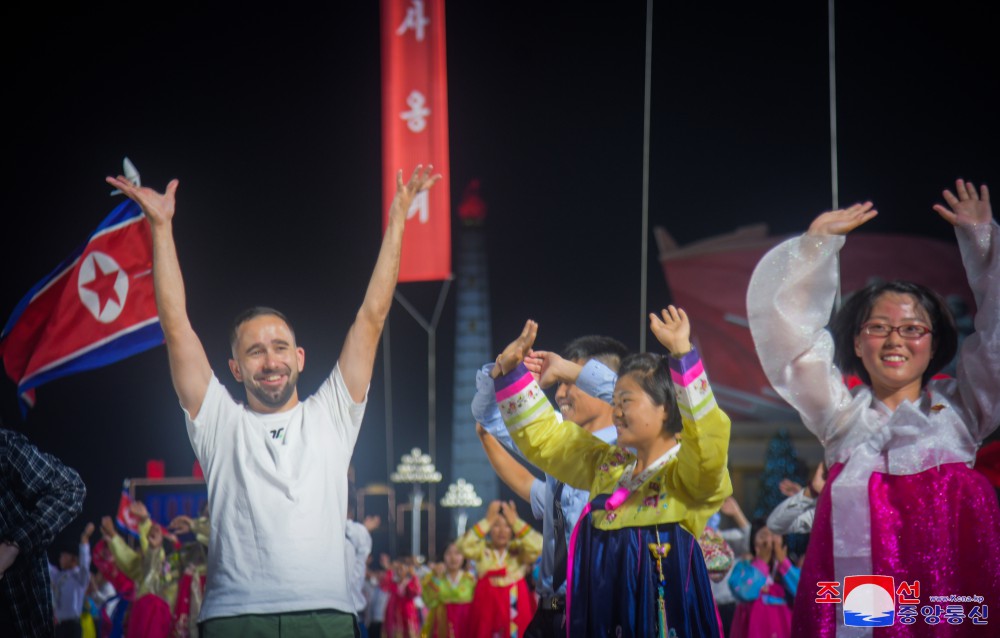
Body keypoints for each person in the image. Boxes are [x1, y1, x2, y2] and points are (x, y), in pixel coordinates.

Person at [106, 164, 440, 637]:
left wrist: (399, 220)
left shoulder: (332, 414)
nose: (271, 360)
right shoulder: (219, 421)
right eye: (255, 351)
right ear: (235, 368)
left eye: (281, 347)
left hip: (326, 613)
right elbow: (176, 324)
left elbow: (372, 316)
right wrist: (161, 229)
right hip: (234, 616)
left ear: (300, 358)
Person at [746, 179, 1000, 635]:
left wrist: (984, 246)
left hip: (944, 601)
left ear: (936, 341)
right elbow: (790, 343)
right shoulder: (840, 415)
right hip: (862, 600)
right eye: (879, 327)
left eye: (912, 328)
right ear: (858, 342)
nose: (895, 340)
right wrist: (814, 250)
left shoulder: (964, 412)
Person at [490, 308, 732, 637]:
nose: (615, 412)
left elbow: (707, 441)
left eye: (626, 401)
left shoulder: (686, 480)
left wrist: (682, 355)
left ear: (665, 407)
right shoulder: (610, 466)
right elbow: (549, 440)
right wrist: (511, 375)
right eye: (614, 401)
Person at [472, 335, 627, 638]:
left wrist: (571, 370)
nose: (560, 393)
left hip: (601, 617)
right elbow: (489, 420)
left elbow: (637, 398)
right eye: (558, 384)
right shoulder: (558, 442)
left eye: (570, 382)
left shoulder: (632, 451)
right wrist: (504, 373)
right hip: (549, 616)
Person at [0, 427, 86, 638]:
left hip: (20, 618)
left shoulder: (4, 448)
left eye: (67, 557)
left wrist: (13, 545)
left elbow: (70, 489)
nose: (64, 559)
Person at [459, 500, 542, 638]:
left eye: (508, 526)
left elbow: (539, 545)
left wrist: (516, 522)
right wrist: (487, 521)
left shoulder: (518, 550)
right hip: (486, 609)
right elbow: (463, 545)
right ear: (490, 529)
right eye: (496, 525)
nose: (502, 531)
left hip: (515, 605)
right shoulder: (482, 550)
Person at [728, 520, 799, 638]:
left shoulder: (790, 570)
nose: (769, 541)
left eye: (774, 535)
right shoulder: (744, 567)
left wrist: (784, 563)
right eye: (763, 536)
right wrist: (761, 563)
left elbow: (805, 593)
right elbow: (742, 591)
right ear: (754, 544)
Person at [419, 540, 475, 638]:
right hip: (441, 627)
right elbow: (428, 601)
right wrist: (436, 578)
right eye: (449, 553)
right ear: (443, 557)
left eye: (457, 553)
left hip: (465, 626)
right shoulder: (434, 577)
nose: (453, 558)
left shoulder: (471, 580)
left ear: (463, 557)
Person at [50, 522, 96, 638]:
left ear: (73, 559)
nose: (60, 558)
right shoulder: (59, 576)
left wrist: (84, 539)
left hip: (72, 626)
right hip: (58, 625)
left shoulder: (80, 577)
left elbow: (85, 564)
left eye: (64, 555)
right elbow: (46, 567)